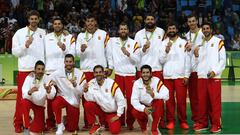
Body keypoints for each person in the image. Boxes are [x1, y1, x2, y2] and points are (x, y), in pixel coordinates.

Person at [12, 10, 46, 133]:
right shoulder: (19, 33)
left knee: (40, 97)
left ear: (39, 19)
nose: (33, 21)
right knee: (22, 98)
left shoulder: (43, 32)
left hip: (40, 71)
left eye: (36, 19)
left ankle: (39, 122)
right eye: (31, 19)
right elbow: (14, 52)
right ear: (28, 20)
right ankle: (18, 123)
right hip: (25, 70)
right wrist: (25, 46)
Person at [76, 14, 109, 129]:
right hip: (86, 70)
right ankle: (88, 123)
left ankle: (104, 121)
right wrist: (81, 49)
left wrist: (109, 67)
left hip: (100, 70)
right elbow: (76, 54)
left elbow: (108, 52)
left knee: (103, 95)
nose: (90, 23)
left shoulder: (103, 34)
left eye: (92, 21)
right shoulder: (80, 36)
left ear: (95, 22)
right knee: (86, 97)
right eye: (88, 21)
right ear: (85, 23)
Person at [193, 22, 226, 133]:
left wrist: (215, 71)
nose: (206, 30)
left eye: (207, 28)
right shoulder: (199, 44)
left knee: (214, 102)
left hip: (214, 77)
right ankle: (203, 123)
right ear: (202, 30)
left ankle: (216, 124)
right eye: (204, 29)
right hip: (202, 76)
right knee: (202, 102)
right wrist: (196, 55)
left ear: (211, 29)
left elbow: (223, 60)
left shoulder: (218, 42)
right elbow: (196, 63)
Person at [134, 13, 166, 128]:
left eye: (152, 19)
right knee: (142, 95)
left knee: (158, 97)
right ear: (145, 21)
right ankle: (145, 120)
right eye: (148, 19)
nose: (150, 21)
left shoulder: (161, 32)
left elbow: (164, 49)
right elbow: (136, 53)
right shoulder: (138, 34)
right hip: (143, 70)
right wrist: (143, 49)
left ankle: (160, 120)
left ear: (155, 20)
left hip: (157, 68)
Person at [106, 22, 140, 129]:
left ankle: (130, 122)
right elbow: (102, 37)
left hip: (130, 75)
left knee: (131, 99)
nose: (123, 31)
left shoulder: (134, 43)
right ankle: (120, 121)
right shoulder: (113, 41)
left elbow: (138, 60)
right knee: (118, 99)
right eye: (121, 29)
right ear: (118, 31)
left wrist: (129, 54)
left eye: (125, 29)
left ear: (128, 31)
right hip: (118, 74)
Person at [44, 17, 76, 130]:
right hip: (50, 71)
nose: (57, 25)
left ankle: (68, 120)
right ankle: (51, 122)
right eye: (55, 24)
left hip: (64, 73)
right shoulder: (46, 37)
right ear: (53, 25)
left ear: (62, 25)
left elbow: (73, 54)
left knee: (67, 96)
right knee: (50, 98)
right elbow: (43, 54)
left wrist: (64, 48)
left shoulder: (69, 37)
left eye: (59, 23)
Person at [159, 22, 191, 130]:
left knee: (181, 101)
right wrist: (166, 51)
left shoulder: (183, 42)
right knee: (169, 101)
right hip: (168, 76)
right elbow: (161, 60)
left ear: (176, 29)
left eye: (173, 28)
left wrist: (186, 75)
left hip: (180, 75)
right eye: (169, 29)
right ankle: (171, 121)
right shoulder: (163, 43)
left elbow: (187, 60)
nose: (171, 30)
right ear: (167, 30)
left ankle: (183, 121)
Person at [48, 54, 87, 135]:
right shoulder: (58, 73)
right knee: (55, 103)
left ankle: (66, 120)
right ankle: (59, 125)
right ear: (64, 62)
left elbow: (82, 93)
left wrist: (76, 85)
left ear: (73, 62)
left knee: (72, 129)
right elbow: (46, 78)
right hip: (62, 98)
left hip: (74, 101)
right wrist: (33, 74)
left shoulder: (80, 74)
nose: (68, 63)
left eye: (70, 61)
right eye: (67, 61)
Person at [83, 65, 126, 134]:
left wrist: (118, 115)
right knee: (88, 104)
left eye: (100, 72)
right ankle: (96, 124)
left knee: (115, 131)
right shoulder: (91, 83)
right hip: (102, 112)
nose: (98, 74)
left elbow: (121, 99)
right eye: (96, 72)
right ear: (93, 74)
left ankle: (106, 124)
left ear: (103, 73)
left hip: (112, 113)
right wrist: (86, 91)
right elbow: (89, 99)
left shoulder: (111, 83)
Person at [131, 65, 169, 135]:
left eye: (147, 72)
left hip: (153, 108)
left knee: (160, 102)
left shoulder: (156, 81)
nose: (145, 75)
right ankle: (143, 127)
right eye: (143, 73)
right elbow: (133, 100)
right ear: (141, 74)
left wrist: (154, 95)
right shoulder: (137, 83)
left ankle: (154, 129)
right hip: (144, 107)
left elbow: (167, 95)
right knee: (134, 111)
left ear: (151, 73)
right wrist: (143, 108)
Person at [21, 60, 56, 134]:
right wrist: (29, 92)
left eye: (42, 69)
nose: (40, 71)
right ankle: (26, 127)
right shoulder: (29, 77)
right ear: (35, 69)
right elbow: (24, 94)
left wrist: (49, 91)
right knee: (24, 102)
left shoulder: (48, 79)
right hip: (30, 101)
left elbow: (51, 96)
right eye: (38, 69)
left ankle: (32, 118)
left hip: (39, 105)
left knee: (38, 129)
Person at [185, 14, 204, 126]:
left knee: (201, 96)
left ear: (197, 21)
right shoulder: (186, 36)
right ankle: (196, 119)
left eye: (193, 21)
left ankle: (204, 118)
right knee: (193, 97)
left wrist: (197, 49)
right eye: (189, 21)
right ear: (187, 23)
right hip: (191, 70)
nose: (192, 23)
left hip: (201, 69)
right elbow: (187, 54)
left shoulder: (203, 33)